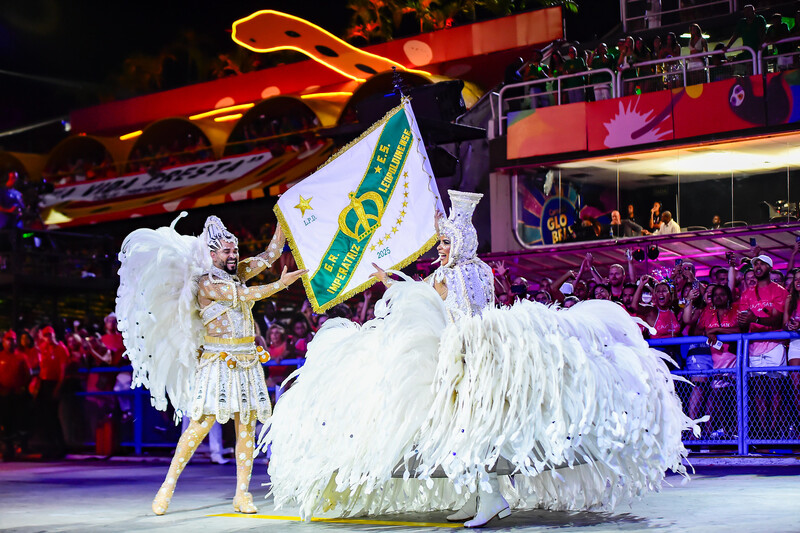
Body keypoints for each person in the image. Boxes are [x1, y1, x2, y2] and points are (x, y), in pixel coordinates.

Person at [261, 190, 693, 527]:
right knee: (465, 430)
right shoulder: (464, 269)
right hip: (466, 354)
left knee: (471, 429)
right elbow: (424, 293)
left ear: (462, 241)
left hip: (470, 357)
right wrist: (388, 279)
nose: (441, 249)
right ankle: (482, 497)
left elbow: (454, 309)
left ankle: (490, 497)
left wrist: (407, 289)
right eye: (440, 242)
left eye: (446, 242)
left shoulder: (463, 273)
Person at [116, 213, 305, 515]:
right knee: (199, 427)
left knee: (247, 426)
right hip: (218, 361)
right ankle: (167, 485)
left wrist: (283, 220)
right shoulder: (206, 283)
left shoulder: (237, 272)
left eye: (235, 250)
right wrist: (281, 285)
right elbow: (243, 296)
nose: (234, 256)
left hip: (247, 360)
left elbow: (270, 255)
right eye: (227, 252)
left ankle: (242, 494)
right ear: (213, 254)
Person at [737, 255, 787, 436]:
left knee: (775, 389)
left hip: (774, 343)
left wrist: (755, 318)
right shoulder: (746, 294)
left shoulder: (780, 291)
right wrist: (742, 321)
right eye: (755, 264)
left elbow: (778, 320)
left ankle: (774, 429)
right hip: (753, 345)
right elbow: (744, 323)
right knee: (758, 387)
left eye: (761, 264)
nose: (757, 266)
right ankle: (763, 430)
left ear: (770, 268)